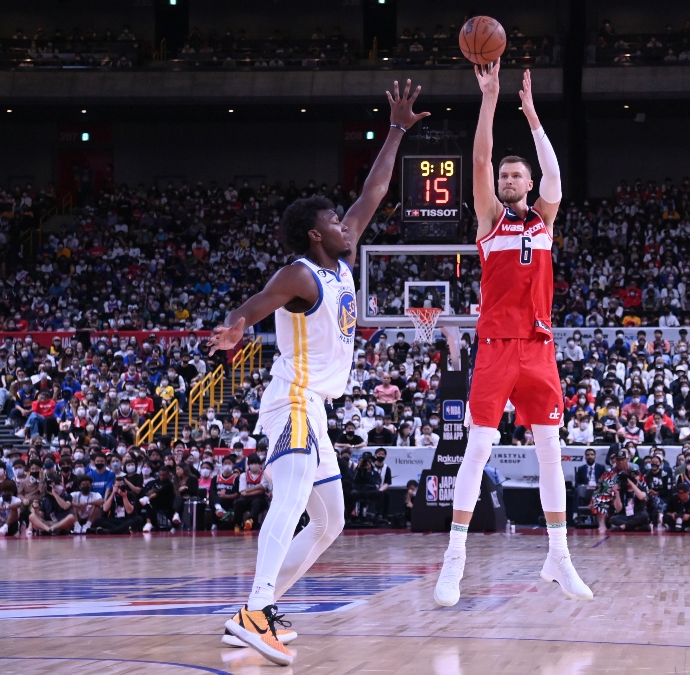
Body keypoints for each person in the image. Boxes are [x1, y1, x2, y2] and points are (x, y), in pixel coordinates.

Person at [207, 80, 429, 666]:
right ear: (315, 233)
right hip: (294, 401)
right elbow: (253, 305)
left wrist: (398, 130)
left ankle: (254, 612)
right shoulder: (301, 274)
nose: (345, 224)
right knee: (291, 502)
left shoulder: (340, 261)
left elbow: (374, 192)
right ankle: (256, 611)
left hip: (316, 408)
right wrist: (232, 327)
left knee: (330, 519)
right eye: (335, 220)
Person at [435, 63, 591, 606]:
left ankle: (559, 557)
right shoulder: (489, 221)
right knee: (476, 448)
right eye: (504, 177)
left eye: (515, 176)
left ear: (530, 185)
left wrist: (531, 116)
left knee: (551, 452)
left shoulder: (544, 222)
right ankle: (453, 561)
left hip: (539, 346)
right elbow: (479, 159)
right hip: (497, 347)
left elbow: (556, 179)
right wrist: (490, 100)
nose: (507, 180)